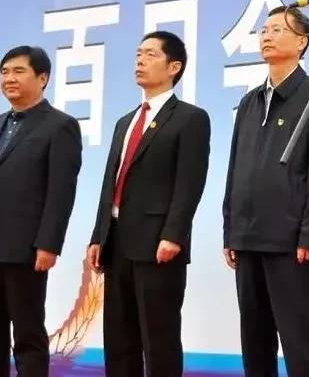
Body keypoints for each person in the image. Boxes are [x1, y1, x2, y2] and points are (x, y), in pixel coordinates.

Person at [222, 6, 309, 377]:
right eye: (264, 29)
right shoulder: (249, 102)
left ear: (302, 41)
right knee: (254, 343)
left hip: (292, 243)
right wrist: (230, 229)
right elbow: (235, 169)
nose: (267, 35)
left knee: (301, 342)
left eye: (278, 29)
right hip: (247, 238)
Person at [87, 31, 210, 377]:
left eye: (150, 54)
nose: (140, 60)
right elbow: (110, 183)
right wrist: (99, 236)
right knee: (119, 337)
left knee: (159, 338)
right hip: (118, 243)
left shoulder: (190, 118)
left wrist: (174, 234)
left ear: (174, 66)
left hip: (159, 244)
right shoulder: (125, 122)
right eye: (138, 53)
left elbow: (190, 183)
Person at [0, 46, 82, 377]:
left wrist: (48, 244)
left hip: (26, 249)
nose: (8, 79)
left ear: (43, 77)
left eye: (18, 71)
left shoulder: (59, 125)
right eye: (4, 72)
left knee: (28, 332)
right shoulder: (2, 123)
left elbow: (61, 191)